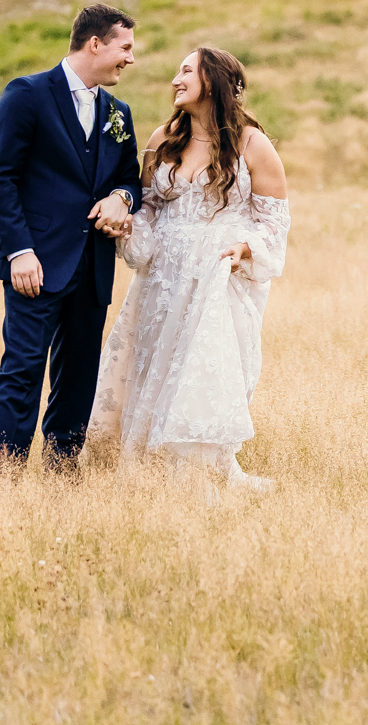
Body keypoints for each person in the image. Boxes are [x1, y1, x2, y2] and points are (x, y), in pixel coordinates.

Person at [87, 45, 290, 489]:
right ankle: (145, 469)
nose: (175, 80)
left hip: (217, 277)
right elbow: (149, 212)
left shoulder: (254, 145)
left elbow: (273, 221)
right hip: (163, 278)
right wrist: (126, 229)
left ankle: (197, 475)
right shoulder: (163, 140)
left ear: (212, 81)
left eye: (185, 72)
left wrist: (245, 248)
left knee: (199, 368)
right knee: (151, 364)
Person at [0, 2, 144, 468]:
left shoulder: (118, 113)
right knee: (22, 371)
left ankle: (62, 477)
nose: (130, 58)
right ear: (95, 43)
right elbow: (0, 178)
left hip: (91, 267)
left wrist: (122, 199)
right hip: (35, 262)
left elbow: (130, 178)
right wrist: (19, 251)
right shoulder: (26, 94)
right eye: (125, 47)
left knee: (79, 377)